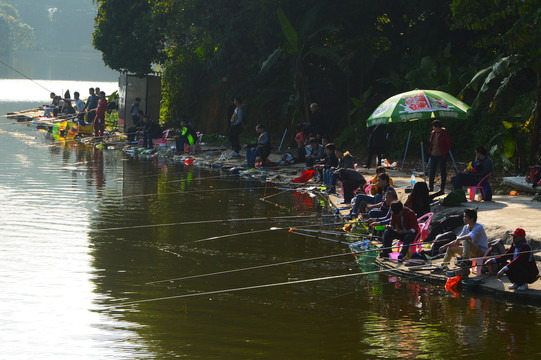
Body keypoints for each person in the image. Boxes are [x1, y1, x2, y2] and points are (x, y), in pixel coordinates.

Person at [433, 208, 488, 273]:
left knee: (465, 240)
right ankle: (444, 266)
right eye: (464, 216)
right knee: (451, 248)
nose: (464, 218)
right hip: (470, 251)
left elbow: (469, 237)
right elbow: (457, 240)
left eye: (466, 217)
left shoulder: (479, 227)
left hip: (481, 251)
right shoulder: (466, 227)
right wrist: (445, 246)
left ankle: (465, 261)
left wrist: (459, 239)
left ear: (472, 218)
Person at [428, 119, 452, 193]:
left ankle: (442, 188)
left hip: (441, 155)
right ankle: (430, 187)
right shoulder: (433, 133)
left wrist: (445, 151)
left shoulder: (444, 133)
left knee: (442, 171)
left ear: (438, 127)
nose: (433, 128)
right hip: (433, 154)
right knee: (432, 171)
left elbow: (449, 144)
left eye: (434, 127)